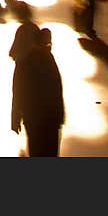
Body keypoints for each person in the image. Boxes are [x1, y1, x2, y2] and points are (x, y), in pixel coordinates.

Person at [11, 27, 65, 156]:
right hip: (51, 118)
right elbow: (56, 87)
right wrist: (59, 114)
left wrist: (15, 117)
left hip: (34, 118)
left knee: (38, 152)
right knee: (50, 153)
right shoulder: (47, 57)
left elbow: (18, 92)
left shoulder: (23, 62)